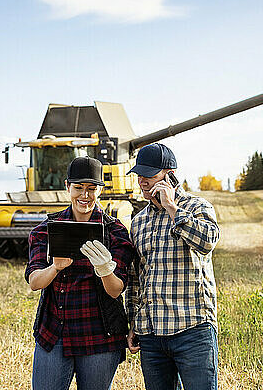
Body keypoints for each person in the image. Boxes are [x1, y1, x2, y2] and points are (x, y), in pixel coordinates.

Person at [25, 156, 136, 390]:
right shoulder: (45, 230)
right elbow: (35, 282)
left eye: (91, 189)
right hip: (55, 333)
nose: (84, 196)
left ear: (100, 190)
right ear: (67, 187)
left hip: (99, 335)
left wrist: (105, 269)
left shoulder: (115, 232)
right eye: (78, 188)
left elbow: (116, 290)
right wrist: (55, 267)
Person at [125, 143, 220, 390]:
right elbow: (137, 277)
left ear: (170, 174)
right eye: (139, 175)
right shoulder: (138, 222)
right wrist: (134, 322)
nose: (142, 181)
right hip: (152, 335)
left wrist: (172, 208)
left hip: (193, 330)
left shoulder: (198, 207)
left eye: (149, 175)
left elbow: (208, 241)